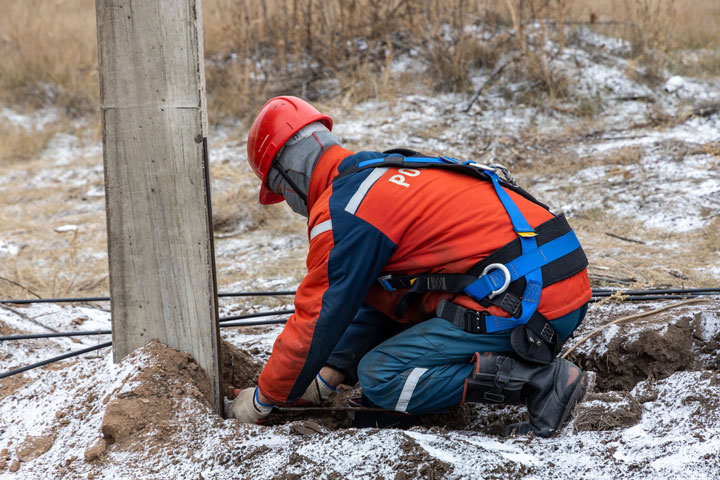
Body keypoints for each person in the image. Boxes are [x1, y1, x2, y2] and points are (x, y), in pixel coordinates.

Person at [228, 96, 592, 437]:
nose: (290, 204)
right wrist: (329, 374)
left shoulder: (343, 212)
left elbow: (316, 318)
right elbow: (376, 295)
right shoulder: (385, 170)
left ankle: (541, 382)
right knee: (396, 328)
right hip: (560, 281)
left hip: (529, 300)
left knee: (379, 376)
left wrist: (264, 397)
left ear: (288, 176)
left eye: (279, 191)